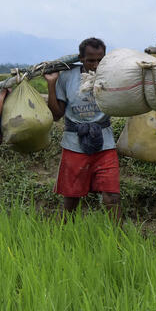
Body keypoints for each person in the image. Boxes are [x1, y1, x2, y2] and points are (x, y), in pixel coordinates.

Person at [44, 37, 121, 221]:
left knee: (112, 196)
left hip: (105, 144)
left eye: (99, 60)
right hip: (74, 144)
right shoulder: (68, 77)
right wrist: (51, 84)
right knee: (71, 198)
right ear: (81, 58)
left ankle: (119, 242)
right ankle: (62, 236)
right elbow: (56, 114)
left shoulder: (111, 77)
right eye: (90, 60)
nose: (95, 65)